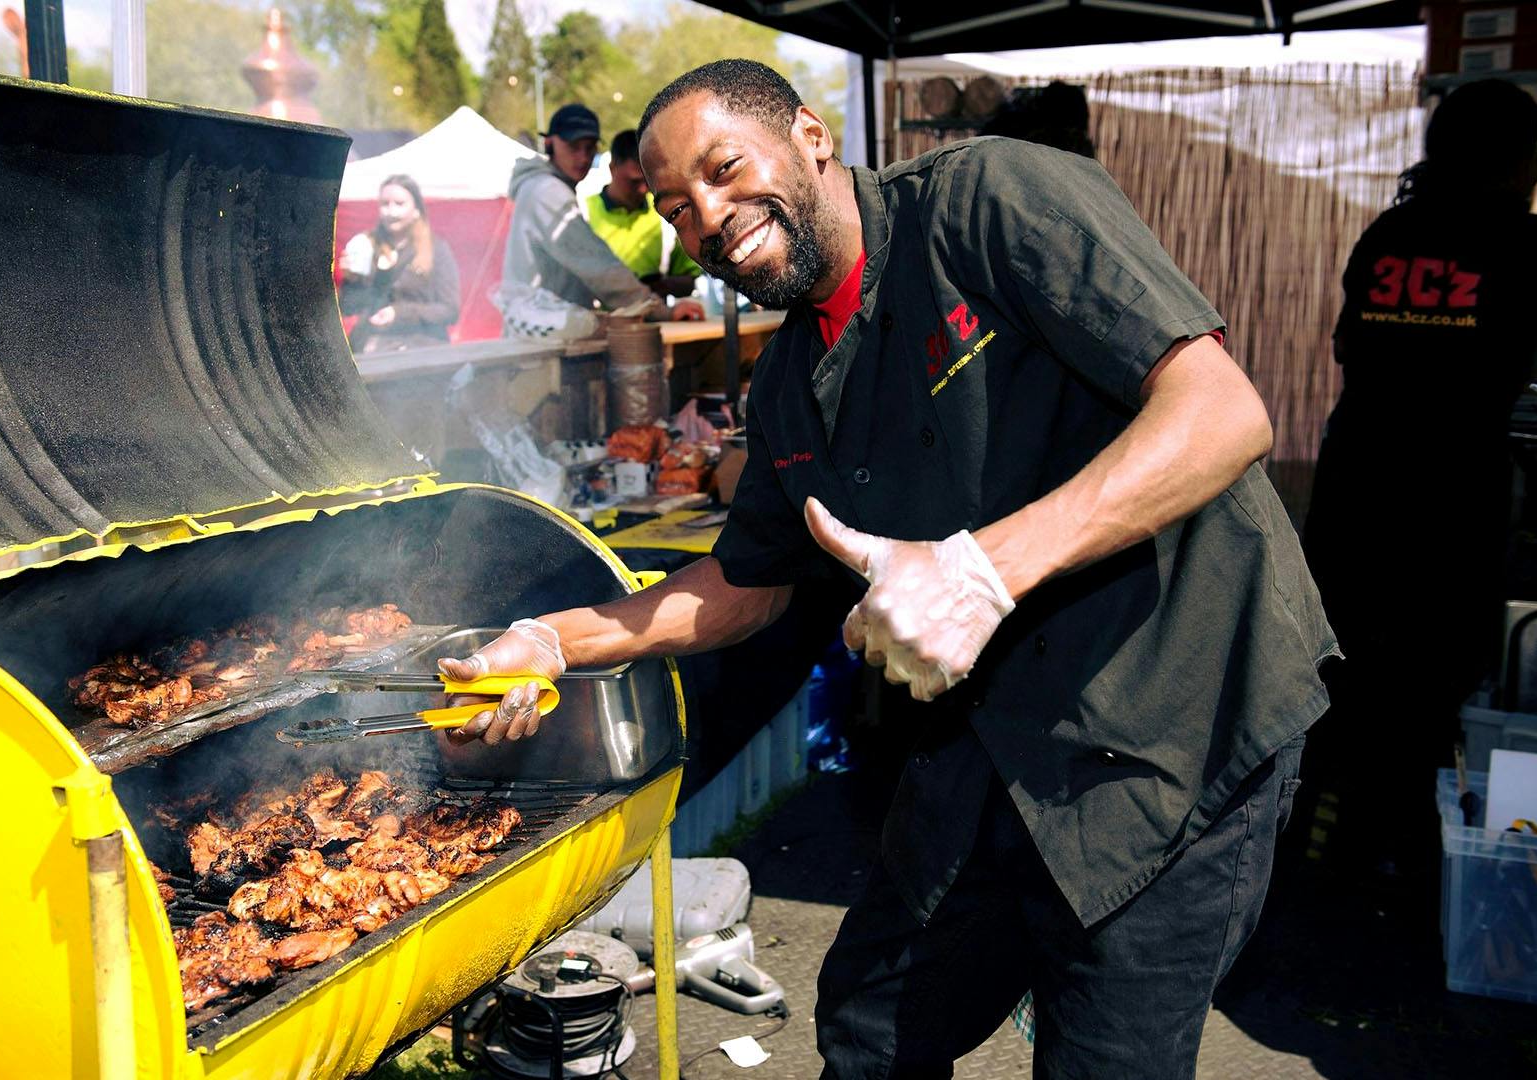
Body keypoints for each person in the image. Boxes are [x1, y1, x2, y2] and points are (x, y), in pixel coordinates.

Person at [443, 60, 1336, 1078]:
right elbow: (743, 588)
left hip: (1177, 707)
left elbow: (1222, 413)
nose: (712, 217)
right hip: (991, 732)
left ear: (811, 137)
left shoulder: (992, 198)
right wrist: (555, 639)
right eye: (680, 210)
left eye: (727, 169)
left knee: (1106, 1057)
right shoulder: (786, 384)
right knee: (872, 1022)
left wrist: (981, 573)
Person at [1301, 79, 1537, 879]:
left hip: (1358, 485)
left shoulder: (1392, 232)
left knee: (1348, 673)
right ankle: (1409, 864)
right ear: (1518, 160)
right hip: (1453, 498)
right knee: (1433, 689)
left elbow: (1351, 348)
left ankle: (1328, 848)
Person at [500, 104, 703, 331]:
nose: (583, 157)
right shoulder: (546, 192)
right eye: (574, 146)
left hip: (545, 333)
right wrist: (656, 310)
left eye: (589, 148)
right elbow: (598, 267)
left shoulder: (546, 188)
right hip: (541, 341)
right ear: (549, 144)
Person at [339, 174, 461, 352]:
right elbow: (348, 308)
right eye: (385, 204)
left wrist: (399, 313)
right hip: (370, 346)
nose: (391, 211)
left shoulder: (436, 249)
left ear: (416, 210)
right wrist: (351, 280)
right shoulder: (366, 245)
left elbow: (450, 311)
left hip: (421, 347)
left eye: (399, 204)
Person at [587, 129, 705, 298]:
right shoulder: (582, 213)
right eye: (634, 181)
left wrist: (661, 285)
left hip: (656, 320)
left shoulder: (665, 213)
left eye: (647, 181)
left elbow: (688, 281)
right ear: (612, 168)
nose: (643, 189)